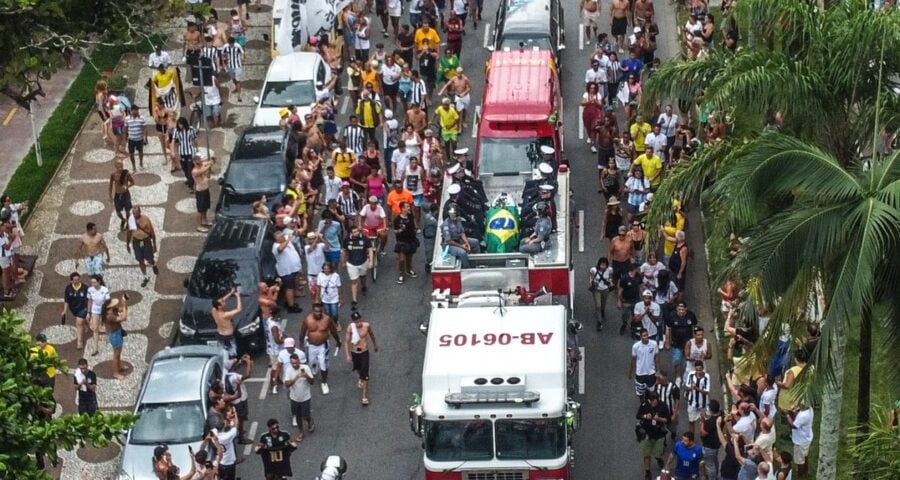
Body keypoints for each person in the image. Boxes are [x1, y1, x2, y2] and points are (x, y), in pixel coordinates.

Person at [301, 303, 342, 395]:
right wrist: (301, 346)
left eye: (320, 311)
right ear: (312, 311)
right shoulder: (307, 319)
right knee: (310, 363)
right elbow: (302, 333)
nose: (318, 313)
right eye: (316, 311)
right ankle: (314, 368)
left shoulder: (327, 319)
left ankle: (324, 382)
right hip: (311, 346)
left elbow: (333, 331)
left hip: (323, 346)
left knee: (324, 364)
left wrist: (338, 341)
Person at [637, 391, 670, 480]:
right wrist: (644, 416)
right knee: (646, 453)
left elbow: (667, 420)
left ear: (657, 399)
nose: (652, 403)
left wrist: (658, 418)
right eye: (650, 401)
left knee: (657, 452)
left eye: (653, 401)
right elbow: (638, 415)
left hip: (658, 434)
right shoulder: (645, 405)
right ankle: (648, 472)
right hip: (647, 433)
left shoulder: (663, 406)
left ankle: (658, 458)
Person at [666, 301, 699, 382]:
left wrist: (696, 341)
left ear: (686, 309)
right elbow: (668, 328)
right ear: (677, 309)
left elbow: (695, 327)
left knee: (688, 360)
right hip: (676, 343)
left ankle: (687, 376)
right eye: (679, 309)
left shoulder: (691, 315)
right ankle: (678, 376)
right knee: (677, 360)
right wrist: (667, 341)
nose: (681, 311)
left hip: (688, 344)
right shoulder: (672, 316)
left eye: (682, 309)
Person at [272, 230, 304, 313]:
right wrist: (287, 240)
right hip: (286, 271)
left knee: (291, 287)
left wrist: (293, 233)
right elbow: (281, 248)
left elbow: (292, 233)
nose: (283, 237)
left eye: (283, 235)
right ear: (277, 239)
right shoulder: (276, 247)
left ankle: (289, 301)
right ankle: (291, 306)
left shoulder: (285, 239)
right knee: (289, 288)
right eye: (281, 237)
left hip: (293, 269)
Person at [342, 226, 374, 308]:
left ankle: (363, 286)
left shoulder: (364, 239)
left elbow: (370, 250)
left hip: (363, 262)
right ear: (350, 233)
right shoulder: (347, 240)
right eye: (354, 232)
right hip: (351, 263)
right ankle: (354, 299)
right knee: (354, 281)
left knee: (363, 276)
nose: (356, 233)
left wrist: (371, 261)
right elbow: (344, 251)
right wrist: (343, 262)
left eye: (357, 231)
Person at [441, 203, 478, 267]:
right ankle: (467, 268)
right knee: (462, 252)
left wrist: (467, 244)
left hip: (458, 240)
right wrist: (462, 246)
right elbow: (449, 241)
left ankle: (476, 262)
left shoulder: (458, 220)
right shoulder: (446, 225)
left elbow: (462, 233)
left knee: (475, 242)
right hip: (449, 245)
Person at [62, 272, 90, 350]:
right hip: (74, 309)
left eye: (78, 279)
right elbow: (66, 300)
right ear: (71, 281)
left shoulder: (85, 288)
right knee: (81, 321)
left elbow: (89, 300)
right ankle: (85, 323)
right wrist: (65, 310)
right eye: (75, 280)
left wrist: (88, 310)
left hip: (83, 308)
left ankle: (79, 342)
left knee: (78, 323)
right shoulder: (68, 288)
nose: (77, 281)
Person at [170, 117, 199, 191]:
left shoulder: (191, 129)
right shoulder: (176, 131)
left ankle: (191, 186)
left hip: (189, 152)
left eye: (181, 124)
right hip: (182, 152)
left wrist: (197, 149)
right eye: (179, 124)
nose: (180, 126)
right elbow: (173, 141)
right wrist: (173, 151)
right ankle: (189, 179)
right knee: (184, 168)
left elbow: (195, 139)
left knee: (190, 169)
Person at [212, 287, 243, 356]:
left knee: (222, 353)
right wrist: (238, 296)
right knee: (233, 354)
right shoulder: (225, 315)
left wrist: (230, 293)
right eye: (222, 302)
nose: (224, 301)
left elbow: (220, 301)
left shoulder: (214, 310)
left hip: (219, 335)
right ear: (219, 306)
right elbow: (239, 309)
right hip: (228, 337)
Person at [393, 201, 418, 284]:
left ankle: (409, 269)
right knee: (402, 259)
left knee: (409, 257)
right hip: (401, 242)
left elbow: (413, 224)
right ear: (402, 208)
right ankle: (401, 274)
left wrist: (415, 228)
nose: (409, 208)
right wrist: (401, 230)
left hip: (411, 240)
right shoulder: (397, 219)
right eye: (407, 207)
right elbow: (395, 231)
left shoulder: (410, 216)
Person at [104, 295, 129, 379]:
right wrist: (124, 305)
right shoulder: (109, 316)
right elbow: (124, 317)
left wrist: (124, 303)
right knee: (116, 354)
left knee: (119, 353)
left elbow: (123, 310)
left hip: (117, 332)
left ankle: (119, 368)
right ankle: (115, 373)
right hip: (114, 335)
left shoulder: (113, 310)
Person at [786, 402, 814, 477]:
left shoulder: (803, 415)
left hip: (800, 441)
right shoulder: (810, 409)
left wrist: (788, 415)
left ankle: (800, 475)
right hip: (807, 437)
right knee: (805, 455)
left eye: (800, 403)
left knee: (800, 461)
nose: (798, 404)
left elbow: (794, 426)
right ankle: (806, 470)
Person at [85, 274, 109, 357]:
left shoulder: (104, 289)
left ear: (99, 282)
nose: (93, 284)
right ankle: (95, 348)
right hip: (95, 310)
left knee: (107, 326)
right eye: (92, 282)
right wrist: (88, 312)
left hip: (104, 309)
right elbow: (90, 301)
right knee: (95, 329)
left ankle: (109, 340)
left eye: (94, 282)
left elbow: (107, 301)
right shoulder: (90, 290)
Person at [684, 361, 711, 434]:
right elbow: (687, 387)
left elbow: (707, 392)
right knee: (691, 421)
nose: (698, 372)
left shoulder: (707, 376)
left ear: (703, 368)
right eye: (697, 370)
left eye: (700, 370)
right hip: (692, 403)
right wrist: (690, 388)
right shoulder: (691, 374)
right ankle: (691, 439)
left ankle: (704, 438)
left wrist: (697, 388)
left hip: (703, 403)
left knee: (704, 421)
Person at [630, 328, 659, 397]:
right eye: (644, 335)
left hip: (651, 372)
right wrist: (630, 372)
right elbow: (633, 360)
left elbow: (657, 357)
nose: (646, 337)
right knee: (640, 393)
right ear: (640, 337)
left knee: (652, 391)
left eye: (646, 335)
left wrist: (658, 370)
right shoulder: (636, 346)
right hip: (640, 373)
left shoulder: (654, 344)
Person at [315, 261, 344, 327]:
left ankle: (335, 322)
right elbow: (318, 287)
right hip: (325, 298)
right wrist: (317, 298)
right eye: (325, 269)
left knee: (334, 313)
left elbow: (339, 287)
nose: (326, 270)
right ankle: (330, 324)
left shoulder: (336, 276)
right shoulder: (320, 275)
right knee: (327, 313)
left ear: (331, 269)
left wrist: (341, 298)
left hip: (334, 298)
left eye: (328, 269)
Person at [108, 159, 135, 231]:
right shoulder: (113, 175)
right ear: (115, 166)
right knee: (118, 212)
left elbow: (133, 182)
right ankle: (123, 220)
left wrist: (127, 187)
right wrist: (110, 196)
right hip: (117, 195)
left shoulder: (126, 173)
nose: (121, 168)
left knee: (127, 211)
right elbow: (110, 185)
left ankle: (128, 223)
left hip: (125, 194)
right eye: (119, 166)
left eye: (122, 166)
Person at [589, 257, 614, 330]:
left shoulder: (609, 270)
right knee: (598, 305)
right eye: (601, 265)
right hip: (596, 289)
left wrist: (610, 282)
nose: (603, 266)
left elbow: (610, 276)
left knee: (603, 303)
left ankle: (602, 310)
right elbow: (590, 275)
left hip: (605, 289)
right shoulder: (594, 270)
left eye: (604, 265)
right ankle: (599, 322)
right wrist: (591, 282)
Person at [191, 156, 215, 232]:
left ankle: (204, 221)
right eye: (198, 161)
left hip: (206, 190)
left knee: (205, 207)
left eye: (200, 160)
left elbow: (206, 163)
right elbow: (203, 170)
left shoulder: (202, 165)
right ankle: (199, 226)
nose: (201, 162)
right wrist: (209, 165)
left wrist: (211, 161)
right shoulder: (194, 171)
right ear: (194, 162)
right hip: (200, 192)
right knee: (200, 210)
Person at [222, 36, 244, 102]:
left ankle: (239, 96)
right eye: (230, 44)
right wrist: (224, 62)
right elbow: (223, 54)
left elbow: (242, 53)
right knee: (233, 78)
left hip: (237, 65)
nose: (231, 45)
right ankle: (236, 88)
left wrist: (242, 60)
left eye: (232, 44)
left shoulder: (237, 46)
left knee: (238, 80)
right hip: (230, 65)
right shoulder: (226, 46)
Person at [124, 105, 147, 170]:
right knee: (131, 154)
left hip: (139, 139)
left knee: (140, 152)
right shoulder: (127, 119)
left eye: (136, 110)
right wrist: (125, 138)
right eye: (134, 110)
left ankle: (141, 163)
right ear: (131, 111)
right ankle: (133, 166)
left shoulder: (142, 118)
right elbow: (126, 129)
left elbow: (145, 128)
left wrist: (145, 138)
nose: (135, 112)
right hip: (131, 139)